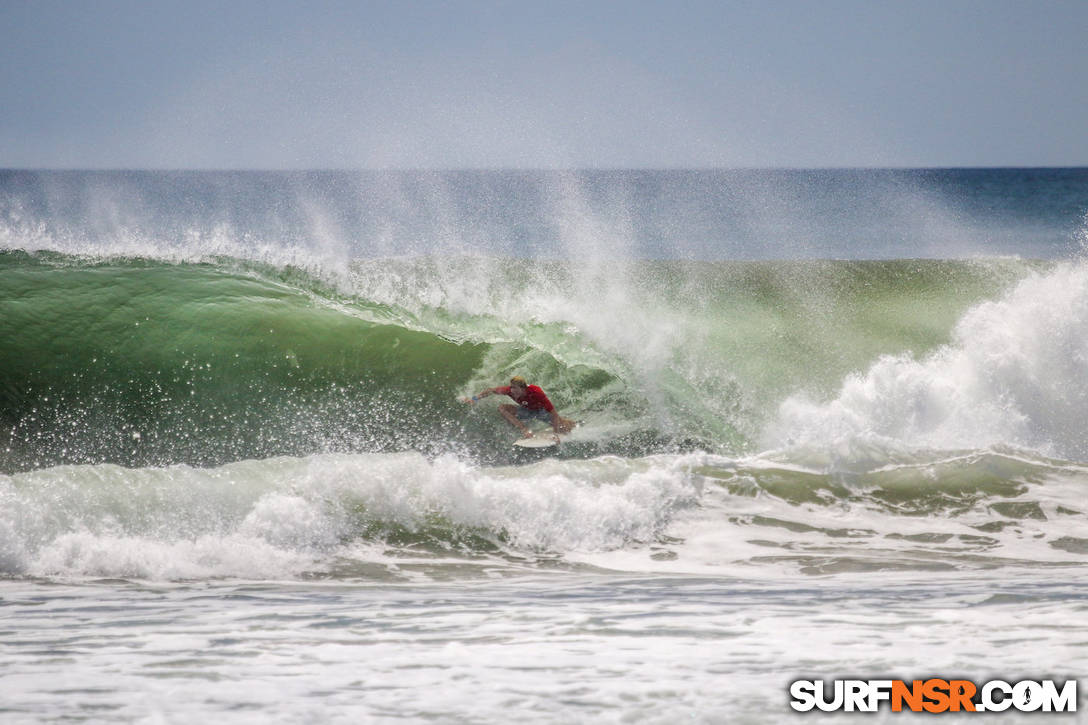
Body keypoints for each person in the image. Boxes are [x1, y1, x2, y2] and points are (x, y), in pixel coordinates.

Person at [467, 376, 576, 439]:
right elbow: (490, 390)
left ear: (523, 388)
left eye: (515, 388)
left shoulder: (536, 391)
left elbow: (553, 413)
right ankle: (525, 430)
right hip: (527, 411)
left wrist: (556, 433)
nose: (512, 390)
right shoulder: (509, 391)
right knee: (502, 408)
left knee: (564, 427)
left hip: (541, 412)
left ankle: (574, 424)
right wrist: (474, 399)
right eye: (511, 387)